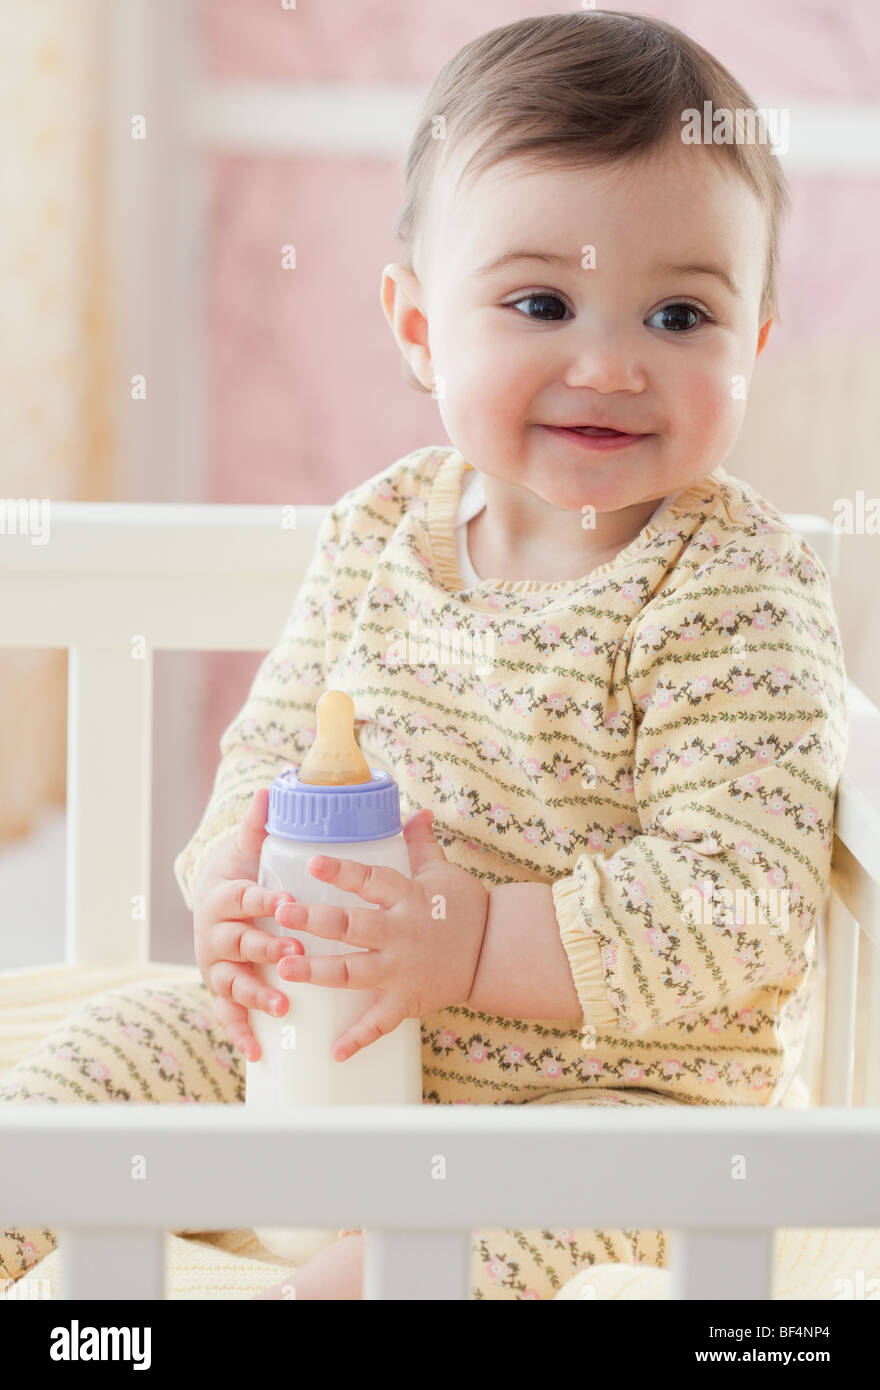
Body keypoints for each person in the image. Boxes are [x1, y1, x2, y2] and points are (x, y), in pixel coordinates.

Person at [1, 10, 847, 1301]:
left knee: (524, 1217)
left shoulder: (735, 589)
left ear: (755, 347)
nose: (611, 360)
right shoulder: (382, 530)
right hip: (336, 1045)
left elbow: (730, 903)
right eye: (541, 302)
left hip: (605, 1095)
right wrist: (233, 879)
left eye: (681, 313)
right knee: (107, 1052)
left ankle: (318, 1292)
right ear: (416, 326)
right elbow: (275, 750)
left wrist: (465, 937)